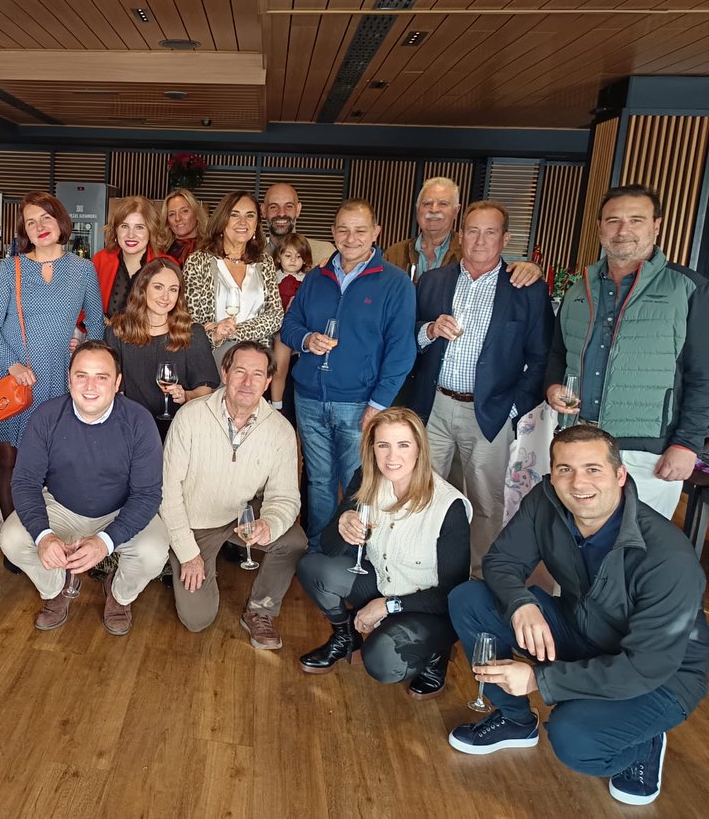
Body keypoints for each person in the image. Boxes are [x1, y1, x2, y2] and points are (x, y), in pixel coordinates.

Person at [447, 426, 708, 807]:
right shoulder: (546, 500)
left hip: (662, 676)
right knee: (471, 598)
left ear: (620, 475)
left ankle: (642, 742)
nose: (578, 482)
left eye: (593, 469)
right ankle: (517, 722)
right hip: (583, 631)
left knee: (575, 738)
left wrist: (539, 679)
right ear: (552, 475)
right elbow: (501, 561)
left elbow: (644, 668)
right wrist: (522, 603)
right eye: (565, 469)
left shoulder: (669, 558)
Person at [545, 184, 708, 519]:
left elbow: (703, 374)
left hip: (648, 449)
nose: (623, 230)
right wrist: (551, 388)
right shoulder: (579, 288)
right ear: (600, 227)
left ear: (656, 226)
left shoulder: (688, 288)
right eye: (613, 220)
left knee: (640, 546)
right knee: (576, 539)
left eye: (636, 220)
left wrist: (686, 444)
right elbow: (557, 356)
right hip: (578, 439)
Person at [409, 201, 552, 575]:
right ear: (460, 235)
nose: (480, 239)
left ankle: (477, 577)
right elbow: (406, 335)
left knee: (486, 503)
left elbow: (540, 359)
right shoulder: (433, 281)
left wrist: (510, 410)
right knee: (423, 494)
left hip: (490, 412)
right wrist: (428, 330)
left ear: (505, 239)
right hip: (434, 407)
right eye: (473, 230)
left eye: (491, 232)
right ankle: (424, 571)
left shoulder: (526, 288)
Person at [296, 408, 471, 699]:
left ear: (419, 450)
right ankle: (345, 637)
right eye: (383, 445)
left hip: (430, 608)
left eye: (403, 445)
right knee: (312, 568)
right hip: (382, 582)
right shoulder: (366, 477)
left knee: (382, 662)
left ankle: (435, 656)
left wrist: (387, 606)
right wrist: (341, 524)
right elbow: (328, 548)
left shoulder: (448, 507)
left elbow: (452, 595)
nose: (392, 457)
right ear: (372, 448)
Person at [0, 342, 169, 636]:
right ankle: (58, 586)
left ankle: (119, 594)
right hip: (63, 506)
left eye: (101, 377)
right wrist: (44, 536)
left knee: (154, 552)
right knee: (12, 539)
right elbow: (25, 482)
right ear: (69, 378)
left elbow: (147, 495)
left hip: (120, 508)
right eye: (81, 375)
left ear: (117, 383)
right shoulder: (47, 415)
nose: (90, 386)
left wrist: (105, 541)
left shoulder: (139, 421)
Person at [280, 198, 416, 551]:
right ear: (333, 233)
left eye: (360, 230)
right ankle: (318, 549)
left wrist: (378, 403)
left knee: (359, 483)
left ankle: (353, 553)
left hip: (359, 403)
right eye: (343, 229)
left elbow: (402, 350)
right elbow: (289, 326)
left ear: (376, 233)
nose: (351, 238)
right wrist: (307, 339)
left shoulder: (395, 283)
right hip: (309, 398)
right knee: (318, 481)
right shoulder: (316, 278)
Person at [161, 342, 305, 649]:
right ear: (224, 373)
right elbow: (167, 491)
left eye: (257, 374)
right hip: (196, 521)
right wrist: (188, 554)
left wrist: (271, 523)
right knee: (197, 619)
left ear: (268, 381)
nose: (247, 382)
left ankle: (260, 609)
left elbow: (286, 497)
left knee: (293, 540)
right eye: (239, 371)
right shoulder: (190, 416)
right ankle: (175, 558)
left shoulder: (280, 431)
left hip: (243, 517)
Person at [0, 191, 103, 536]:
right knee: (8, 459)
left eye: (45, 218)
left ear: (60, 221)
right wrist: (13, 365)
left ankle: (47, 532)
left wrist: (79, 354)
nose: (39, 227)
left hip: (58, 380)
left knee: (53, 462)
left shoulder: (82, 270)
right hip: (13, 377)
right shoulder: (11, 267)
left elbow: (96, 325)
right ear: (25, 232)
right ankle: (17, 535)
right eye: (31, 222)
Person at [103, 259, 217, 437]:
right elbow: (115, 393)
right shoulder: (117, 333)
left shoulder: (193, 333)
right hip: (132, 430)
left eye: (173, 289)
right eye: (158, 287)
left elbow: (205, 390)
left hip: (181, 430)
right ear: (143, 289)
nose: (166, 297)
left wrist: (186, 395)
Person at [184, 190, 284, 366]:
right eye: (234, 215)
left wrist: (232, 332)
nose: (242, 222)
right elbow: (192, 322)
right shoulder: (198, 261)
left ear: (256, 224)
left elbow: (275, 316)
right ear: (223, 220)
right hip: (212, 357)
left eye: (250, 216)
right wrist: (215, 334)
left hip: (256, 360)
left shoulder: (264, 261)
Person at [384, 176, 541, 287]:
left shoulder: (470, 248)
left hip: (448, 331)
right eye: (427, 203)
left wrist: (531, 268)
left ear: (456, 211)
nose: (434, 210)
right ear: (418, 209)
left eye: (443, 203)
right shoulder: (394, 252)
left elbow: (497, 271)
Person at [91, 195, 173, 318]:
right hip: (105, 336)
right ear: (115, 230)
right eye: (124, 226)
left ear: (151, 231)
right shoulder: (100, 260)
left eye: (139, 227)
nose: (131, 235)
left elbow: (174, 314)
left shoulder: (166, 265)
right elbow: (83, 306)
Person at [271, 232, 313, 413]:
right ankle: (276, 405)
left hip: (305, 330)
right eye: (288, 255)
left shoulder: (310, 280)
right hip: (281, 329)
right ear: (279, 257)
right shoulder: (272, 278)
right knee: (280, 368)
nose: (293, 260)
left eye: (298, 256)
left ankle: (304, 406)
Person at [262, 182, 332, 266]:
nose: (281, 213)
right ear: (263, 210)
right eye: (273, 207)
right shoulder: (253, 257)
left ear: (298, 210)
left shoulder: (324, 253)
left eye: (289, 206)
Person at [163, 188, 209, 265]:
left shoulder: (211, 249)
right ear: (167, 221)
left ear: (197, 214)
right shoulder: (160, 251)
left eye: (184, 211)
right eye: (172, 214)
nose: (178, 218)